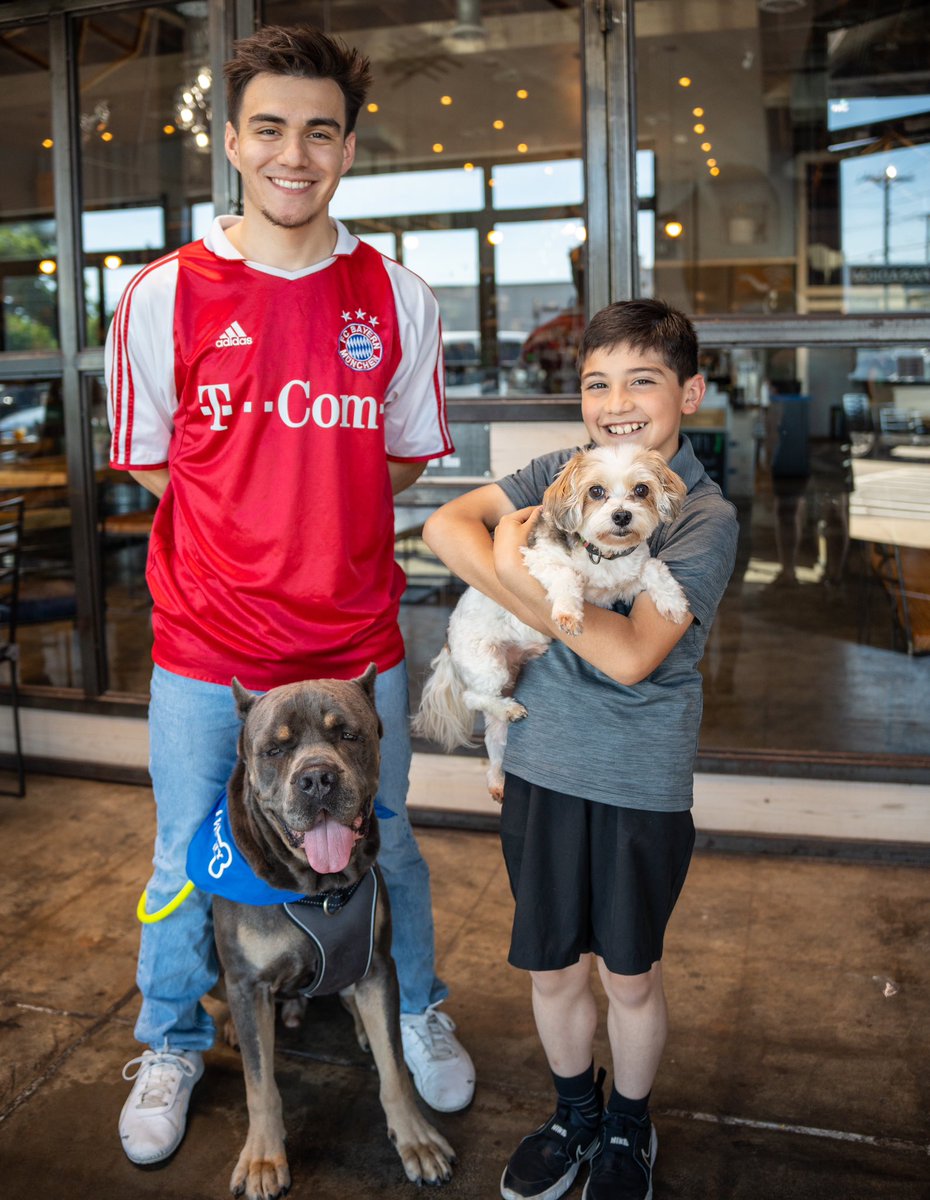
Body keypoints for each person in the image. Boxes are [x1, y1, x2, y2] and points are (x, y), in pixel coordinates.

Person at [106, 24, 474, 1167]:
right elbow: (159, 459)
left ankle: (411, 1013)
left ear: (350, 147)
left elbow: (400, 458)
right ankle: (169, 1040)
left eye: (319, 131)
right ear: (231, 140)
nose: (293, 154)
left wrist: (316, 508)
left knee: (389, 841)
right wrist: (245, 524)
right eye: (269, 128)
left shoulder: (396, 297)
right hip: (208, 648)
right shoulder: (163, 294)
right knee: (185, 856)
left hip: (356, 644)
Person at [423, 299, 738, 1200]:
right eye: (598, 382)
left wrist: (516, 574)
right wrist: (528, 583)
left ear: (692, 392)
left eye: (643, 379)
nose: (617, 401)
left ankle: (630, 1129)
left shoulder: (701, 517)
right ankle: (575, 1114)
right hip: (540, 764)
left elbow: (633, 655)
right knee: (554, 963)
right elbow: (446, 527)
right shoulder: (565, 470)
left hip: (638, 779)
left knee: (628, 975)